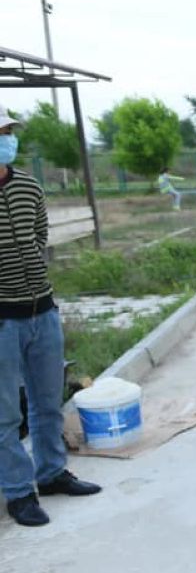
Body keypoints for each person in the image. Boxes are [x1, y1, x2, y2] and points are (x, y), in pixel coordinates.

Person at [0, 108, 102, 527]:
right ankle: (19, 493)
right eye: (3, 132)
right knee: (6, 414)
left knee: (47, 401)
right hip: (3, 319)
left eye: (8, 132)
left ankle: (52, 472)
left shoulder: (28, 186)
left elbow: (41, 235)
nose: (9, 139)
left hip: (43, 311)